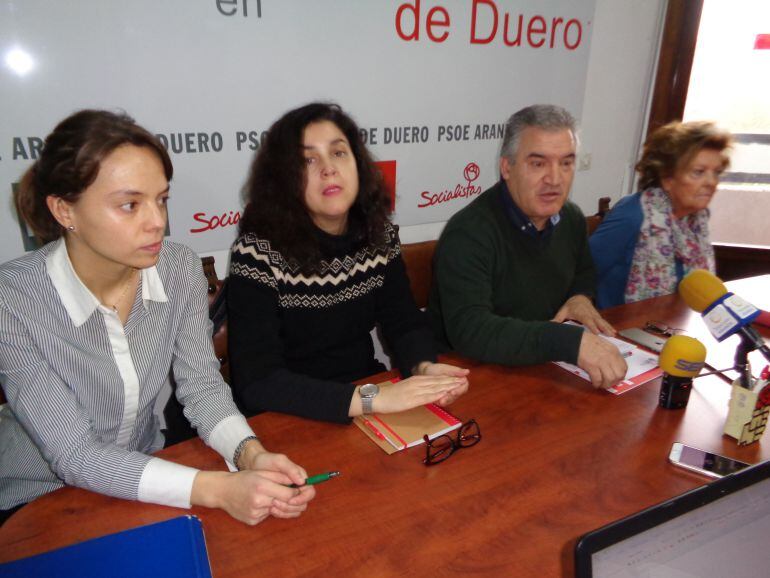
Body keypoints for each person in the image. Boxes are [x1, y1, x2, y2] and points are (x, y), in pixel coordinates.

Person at [0, 110, 315, 527]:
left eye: (161, 200)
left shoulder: (178, 268)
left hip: (147, 474)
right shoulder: (13, 299)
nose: (157, 222)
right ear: (64, 210)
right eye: (130, 205)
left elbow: (201, 386)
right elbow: (75, 454)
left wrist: (250, 454)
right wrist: (218, 489)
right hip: (37, 498)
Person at [227, 102, 469, 423]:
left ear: (358, 163)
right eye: (308, 159)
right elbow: (258, 381)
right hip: (287, 416)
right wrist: (371, 399)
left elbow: (404, 322)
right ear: (285, 178)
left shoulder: (378, 234)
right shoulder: (257, 252)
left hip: (363, 394)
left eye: (339, 153)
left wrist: (424, 368)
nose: (328, 169)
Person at [428, 104, 627, 389]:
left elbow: (583, 272)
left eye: (566, 163)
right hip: (471, 376)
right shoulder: (469, 233)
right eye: (538, 163)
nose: (555, 179)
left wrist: (580, 296)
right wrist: (569, 342)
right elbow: (471, 331)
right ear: (507, 168)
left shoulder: (570, 218)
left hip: (542, 369)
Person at [590, 121, 732, 308]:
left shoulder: (697, 218)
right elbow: (579, 275)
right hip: (620, 324)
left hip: (677, 322)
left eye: (716, 173)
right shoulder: (633, 215)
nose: (711, 182)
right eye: (698, 172)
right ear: (667, 177)